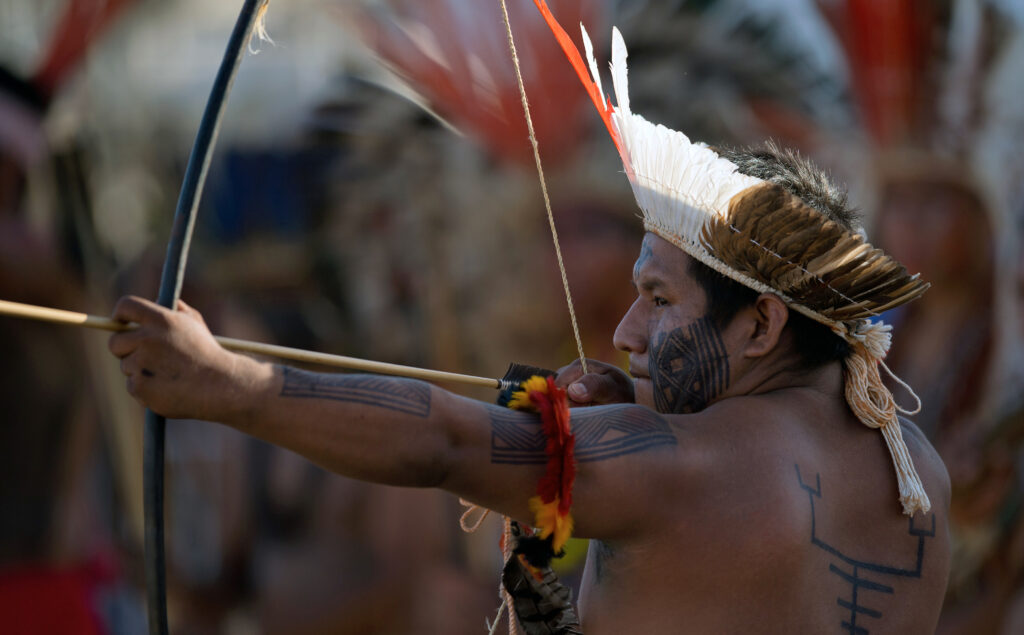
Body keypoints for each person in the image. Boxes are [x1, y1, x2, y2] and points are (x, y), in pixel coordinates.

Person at [106, 24, 951, 635]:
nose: (626, 329)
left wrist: (229, 383)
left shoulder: (679, 465)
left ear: (763, 321)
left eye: (660, 299)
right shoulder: (919, 473)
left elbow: (445, 442)